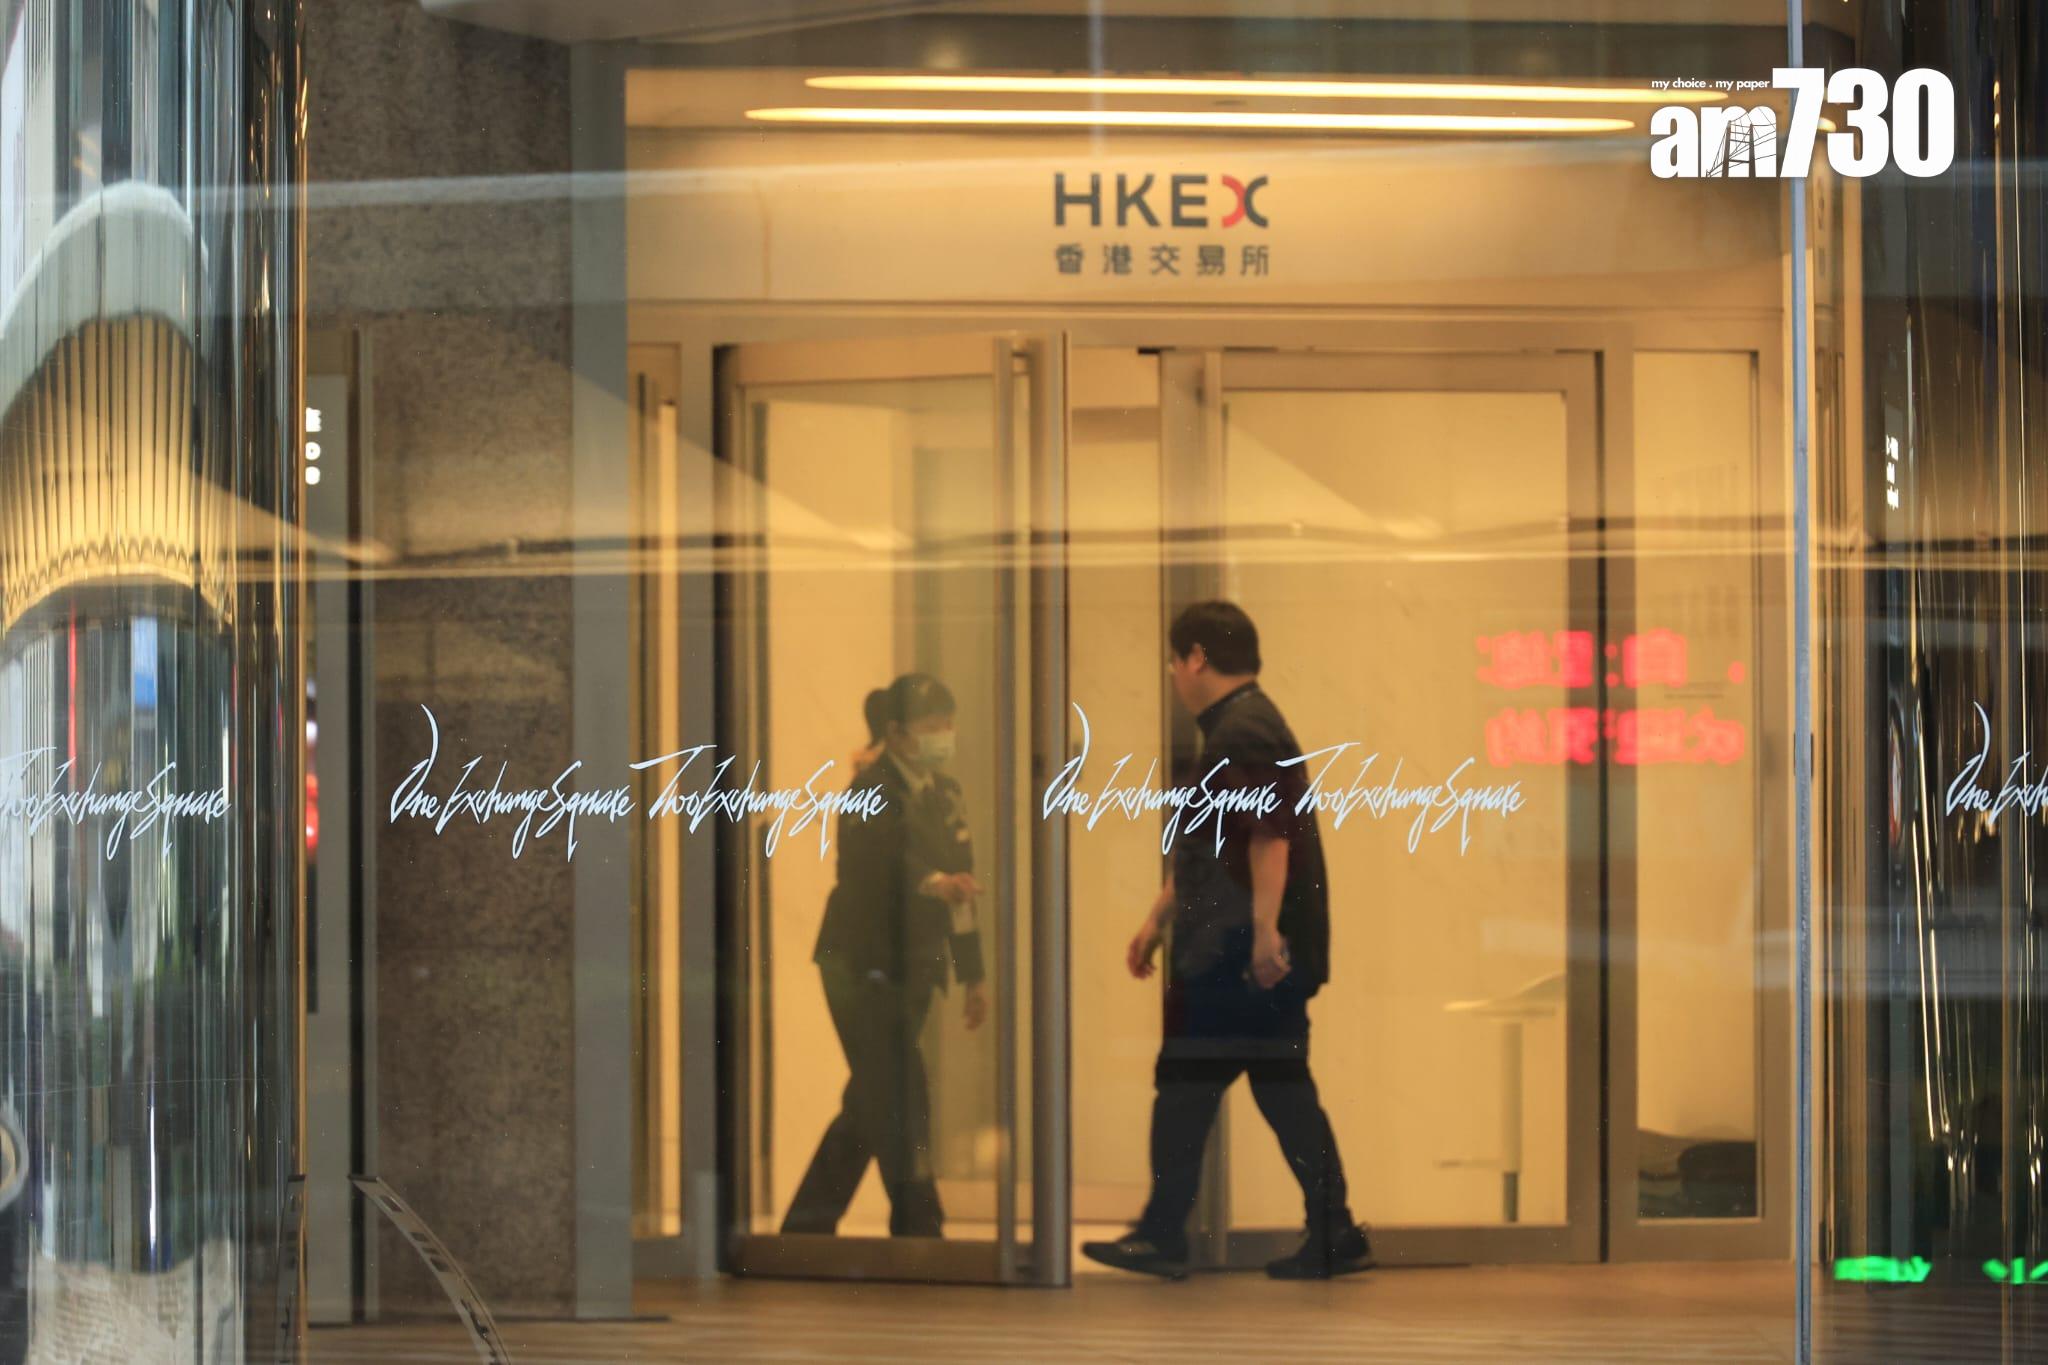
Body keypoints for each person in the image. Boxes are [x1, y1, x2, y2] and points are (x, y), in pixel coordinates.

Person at [1083, 601, 1373, 1281]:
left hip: (1236, 954)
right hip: (1241, 948)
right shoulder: (1246, 725)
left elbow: (1269, 837)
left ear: (1196, 659)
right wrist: (1157, 918)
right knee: (1277, 1087)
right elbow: (1217, 845)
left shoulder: (1242, 732)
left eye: (1173, 660)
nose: (1172, 675)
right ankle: (1330, 1229)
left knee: (1188, 1085)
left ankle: (1165, 1234)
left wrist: (1265, 933)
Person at [781, 673, 988, 1238]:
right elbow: (875, 867)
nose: (944, 734)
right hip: (860, 965)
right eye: (931, 725)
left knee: (872, 1097)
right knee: (901, 1090)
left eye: (948, 723)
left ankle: (804, 1231)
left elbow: (963, 886)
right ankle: (920, 1225)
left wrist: (973, 975)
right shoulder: (868, 789)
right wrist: (935, 883)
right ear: (896, 734)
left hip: (916, 965)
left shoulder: (946, 794)